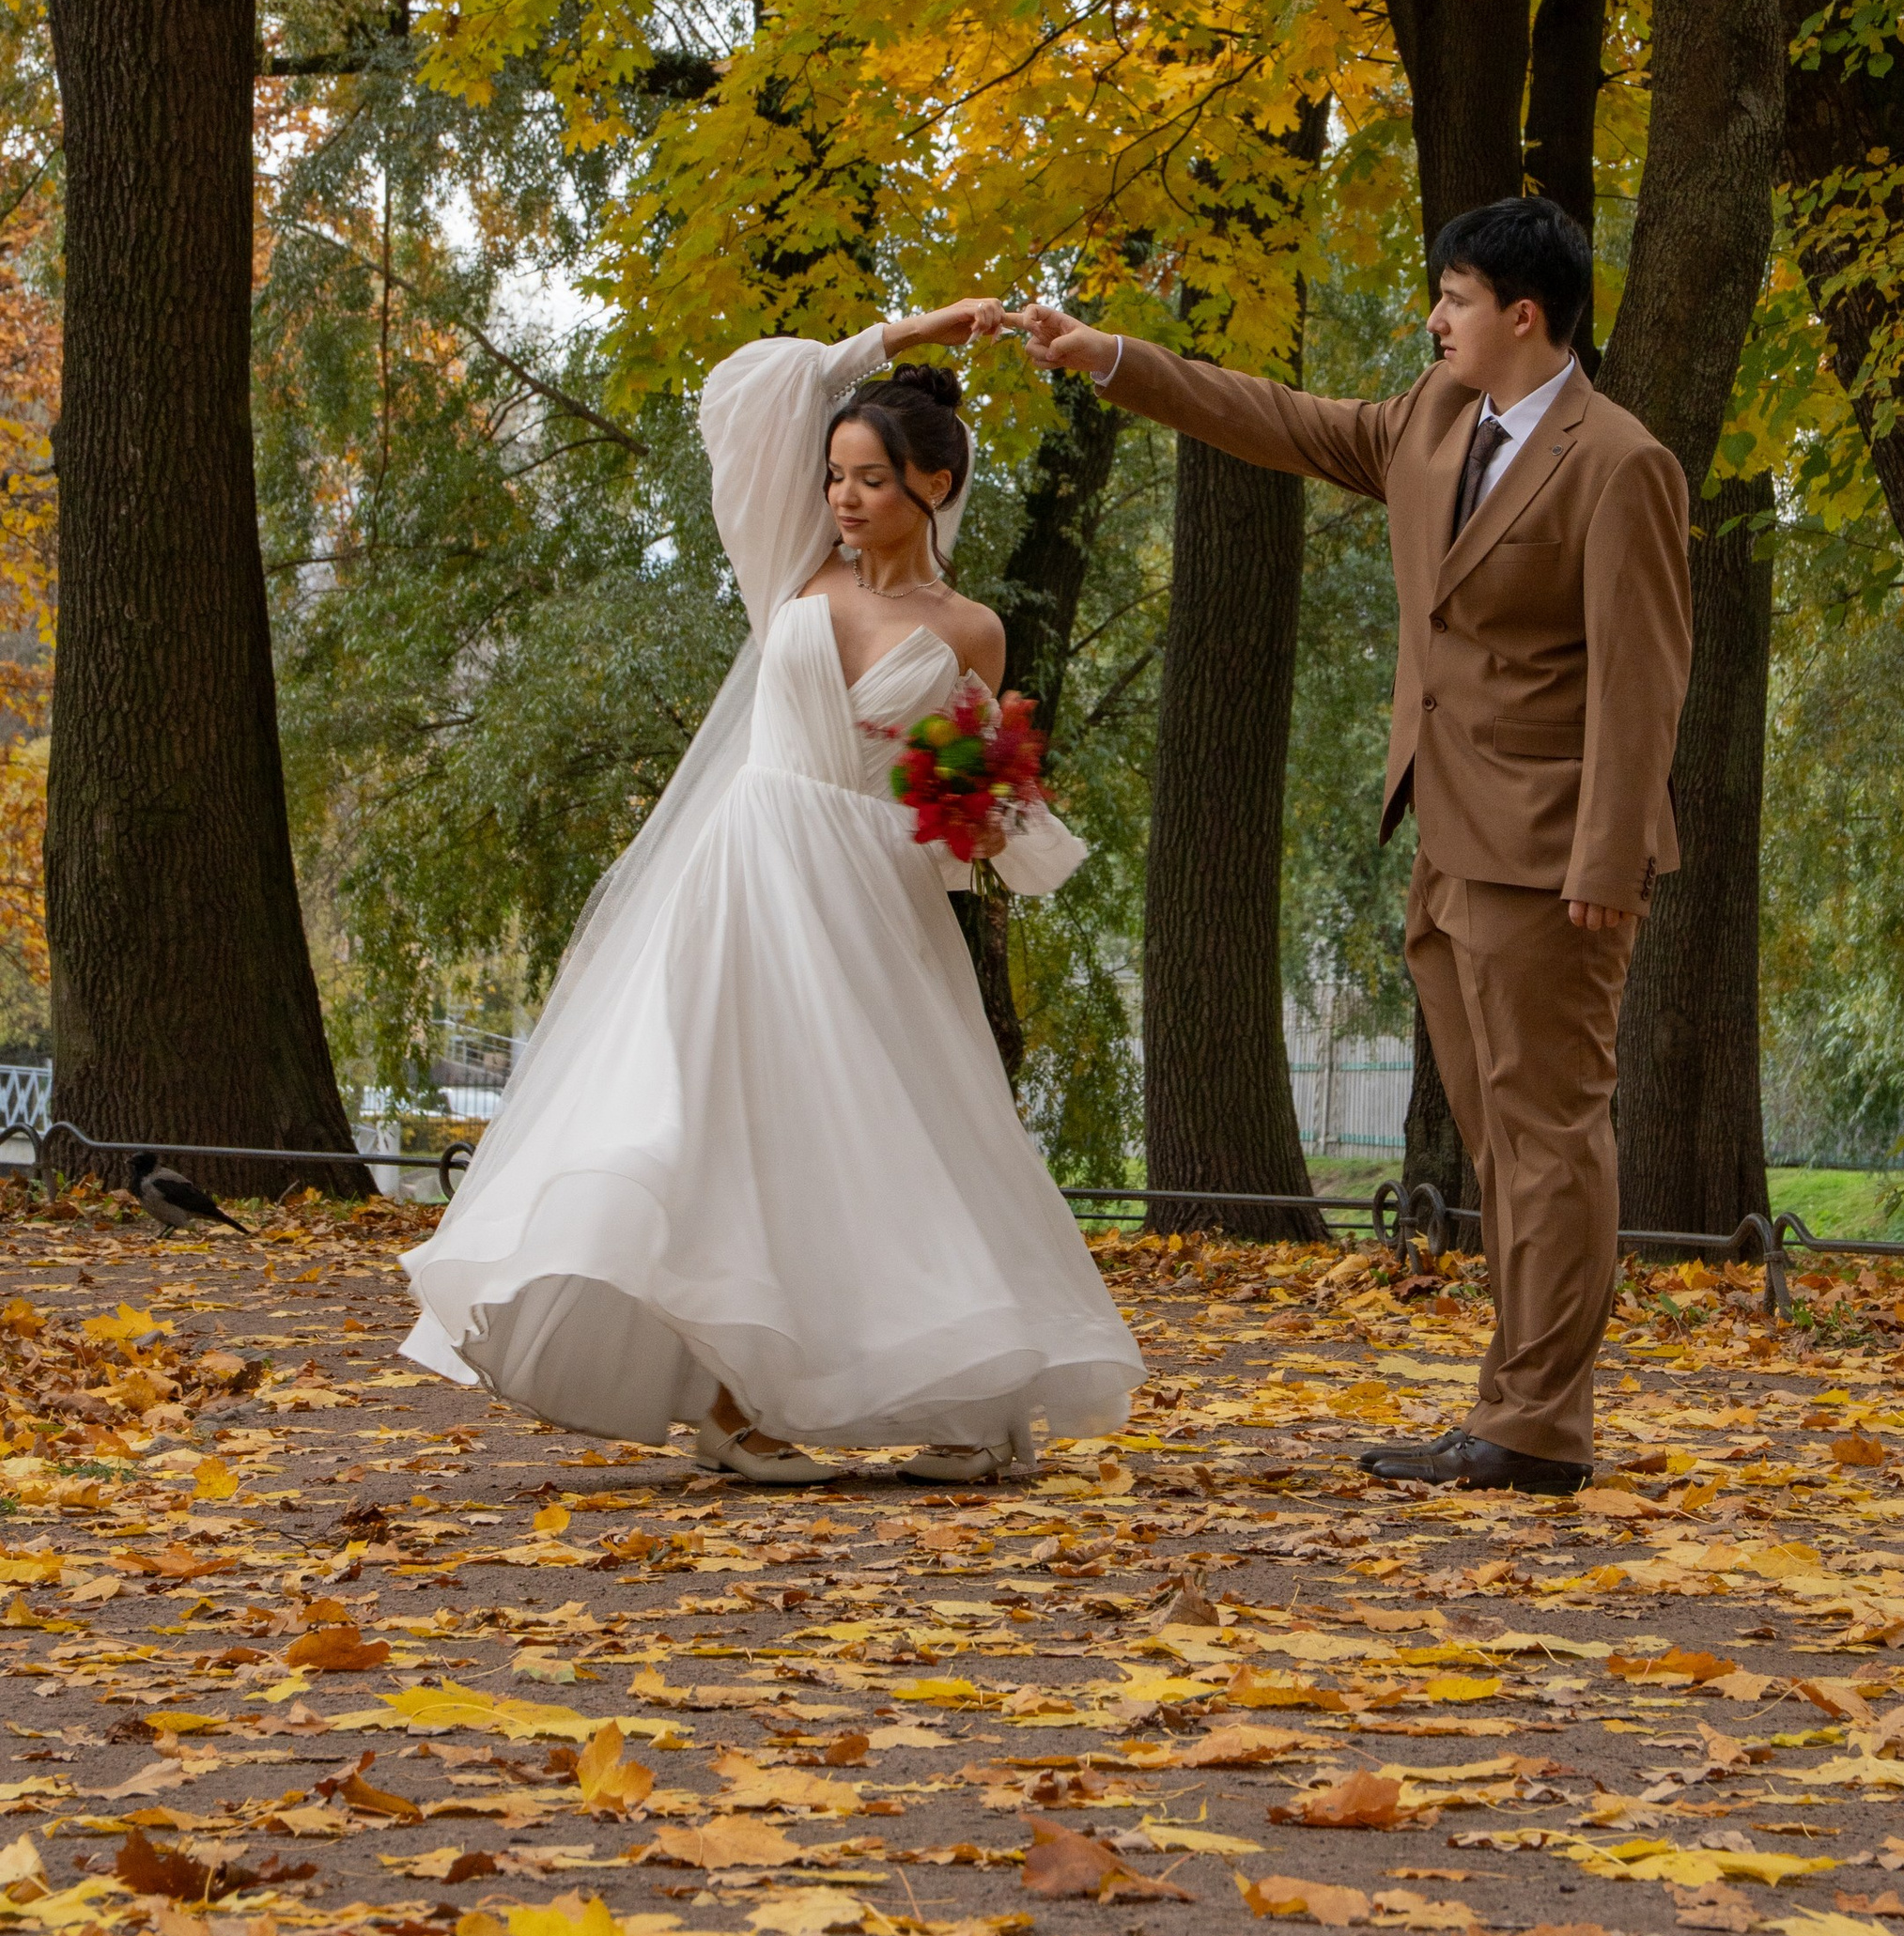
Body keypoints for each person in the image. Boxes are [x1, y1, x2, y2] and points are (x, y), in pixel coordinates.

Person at [400, 302, 1142, 1486]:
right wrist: (909, 334)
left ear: (935, 483)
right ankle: (734, 1403)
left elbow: (955, 790)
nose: (844, 499)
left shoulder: (974, 632)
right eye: (837, 475)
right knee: (729, 1133)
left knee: (890, 1143)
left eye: (872, 480)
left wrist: (1004, 820)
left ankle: (964, 1388)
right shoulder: (790, 577)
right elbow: (746, 392)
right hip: (749, 881)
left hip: (872, 899)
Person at [1016, 199, 1689, 1495]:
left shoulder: (1620, 464)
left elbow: (1645, 679)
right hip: (1446, 838)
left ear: (1522, 316)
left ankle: (1539, 1427)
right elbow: (1280, 420)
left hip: (1554, 860)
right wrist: (1111, 358)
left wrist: (1608, 861)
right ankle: (1512, 1407)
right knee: (1504, 1147)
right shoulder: (1438, 422)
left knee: (1550, 1139)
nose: (1434, 323)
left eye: (1451, 300)